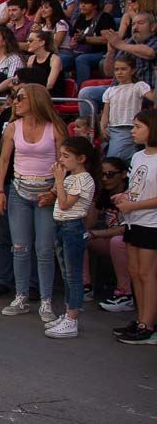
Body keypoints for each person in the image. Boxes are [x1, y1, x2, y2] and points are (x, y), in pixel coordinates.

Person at [0, 83, 66, 323]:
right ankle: (21, 296)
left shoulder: (54, 127)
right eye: (16, 97)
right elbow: (4, 160)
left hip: (46, 189)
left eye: (21, 98)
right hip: (19, 189)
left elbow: (63, 163)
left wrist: (56, 192)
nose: (16, 101)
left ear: (35, 100)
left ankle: (46, 300)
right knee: (20, 247)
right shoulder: (12, 127)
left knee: (44, 249)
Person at [45, 136, 98, 339]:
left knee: (74, 275)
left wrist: (59, 179)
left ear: (81, 158)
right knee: (67, 272)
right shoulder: (70, 177)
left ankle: (72, 318)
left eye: (66, 156)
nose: (62, 160)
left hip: (73, 227)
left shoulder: (84, 179)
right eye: (61, 155)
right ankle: (68, 312)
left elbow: (66, 204)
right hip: (61, 225)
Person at [112, 110, 157, 345]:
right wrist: (125, 195)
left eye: (138, 126)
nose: (133, 131)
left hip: (151, 223)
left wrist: (134, 204)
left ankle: (148, 324)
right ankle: (141, 318)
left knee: (148, 274)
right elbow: (136, 186)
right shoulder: (138, 156)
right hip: (133, 220)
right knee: (135, 272)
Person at [89, 157, 133, 313]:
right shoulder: (103, 193)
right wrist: (94, 196)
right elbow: (89, 224)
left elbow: (126, 228)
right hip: (111, 241)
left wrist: (98, 233)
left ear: (122, 174)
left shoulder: (130, 192)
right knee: (79, 238)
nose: (105, 178)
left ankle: (124, 294)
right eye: (101, 174)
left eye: (109, 174)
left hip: (131, 241)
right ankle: (85, 286)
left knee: (117, 241)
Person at [101, 55, 150, 162]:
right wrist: (102, 127)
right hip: (112, 129)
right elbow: (105, 113)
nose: (119, 72)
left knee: (113, 159)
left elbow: (152, 97)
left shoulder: (138, 86)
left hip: (128, 127)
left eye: (123, 69)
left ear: (132, 71)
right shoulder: (110, 90)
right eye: (116, 69)